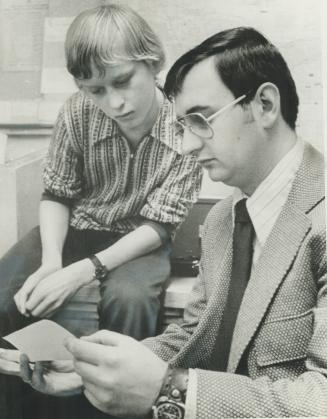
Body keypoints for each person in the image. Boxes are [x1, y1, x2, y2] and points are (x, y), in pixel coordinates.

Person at [1, 26, 326, 418]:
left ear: (265, 105)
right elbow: (194, 336)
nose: (187, 146)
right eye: (184, 126)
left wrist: (168, 389)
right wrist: (95, 371)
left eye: (201, 120)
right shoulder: (225, 218)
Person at [0, 4, 201, 419]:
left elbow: (160, 226)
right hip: (74, 229)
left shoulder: (185, 125)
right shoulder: (77, 111)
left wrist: (80, 272)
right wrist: (53, 261)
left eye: (123, 81)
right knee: (5, 292)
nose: (114, 102)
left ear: (153, 62)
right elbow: (57, 193)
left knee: (130, 301)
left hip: (140, 241)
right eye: (96, 90)